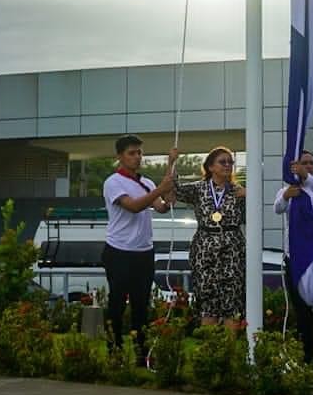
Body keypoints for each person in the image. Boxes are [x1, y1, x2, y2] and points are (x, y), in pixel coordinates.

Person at [102, 135, 177, 357]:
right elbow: (133, 206)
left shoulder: (147, 183)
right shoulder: (113, 182)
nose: (137, 157)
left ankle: (141, 352)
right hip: (119, 251)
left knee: (141, 305)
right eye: (131, 153)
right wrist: (160, 189)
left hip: (143, 252)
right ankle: (114, 350)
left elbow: (162, 207)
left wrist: (170, 169)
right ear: (120, 156)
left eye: (139, 153)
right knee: (117, 303)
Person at [274, 149, 313, 366]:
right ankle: (308, 355)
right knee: (301, 310)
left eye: (311, 163)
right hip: (295, 258)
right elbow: (277, 208)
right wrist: (285, 195)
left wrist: (307, 177)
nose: (309, 166)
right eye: (304, 163)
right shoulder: (288, 190)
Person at [175, 145, 247, 326]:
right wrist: (171, 162)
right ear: (210, 167)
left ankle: (228, 351)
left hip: (232, 247)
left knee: (232, 298)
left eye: (230, 162)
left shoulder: (239, 191)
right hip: (205, 246)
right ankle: (211, 349)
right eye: (222, 162)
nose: (227, 165)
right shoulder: (199, 188)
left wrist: (250, 196)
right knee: (207, 298)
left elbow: (260, 213)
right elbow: (173, 189)